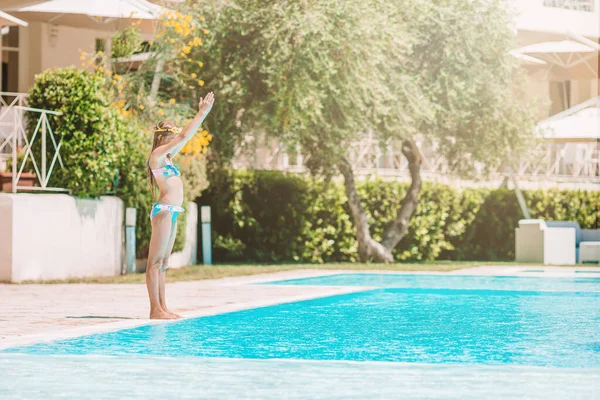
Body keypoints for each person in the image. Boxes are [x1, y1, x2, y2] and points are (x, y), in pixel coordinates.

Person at [146, 92, 215, 319]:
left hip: (173, 211)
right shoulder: (156, 155)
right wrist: (201, 112)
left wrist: (201, 119)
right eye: (171, 133)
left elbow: (186, 137)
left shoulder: (168, 158)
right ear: (163, 137)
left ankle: (163, 307)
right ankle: (154, 309)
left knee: (164, 262)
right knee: (155, 262)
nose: (175, 137)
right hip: (164, 211)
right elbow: (184, 135)